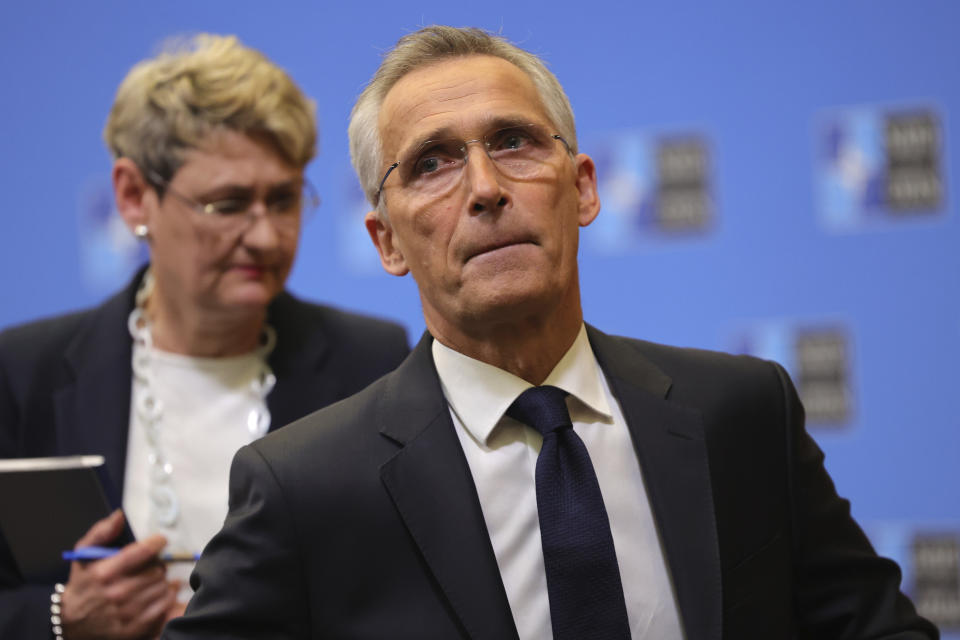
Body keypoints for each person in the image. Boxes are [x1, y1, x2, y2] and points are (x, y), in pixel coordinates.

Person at [163, 26, 937, 639]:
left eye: (513, 142)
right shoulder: (304, 486)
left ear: (585, 187)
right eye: (433, 162)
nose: (487, 188)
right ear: (386, 242)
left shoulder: (740, 412)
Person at [0, 34, 410, 639]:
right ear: (135, 196)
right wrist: (63, 617)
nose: (267, 236)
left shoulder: (369, 360)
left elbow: (403, 586)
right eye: (228, 204)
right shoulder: (24, 372)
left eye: (284, 200)